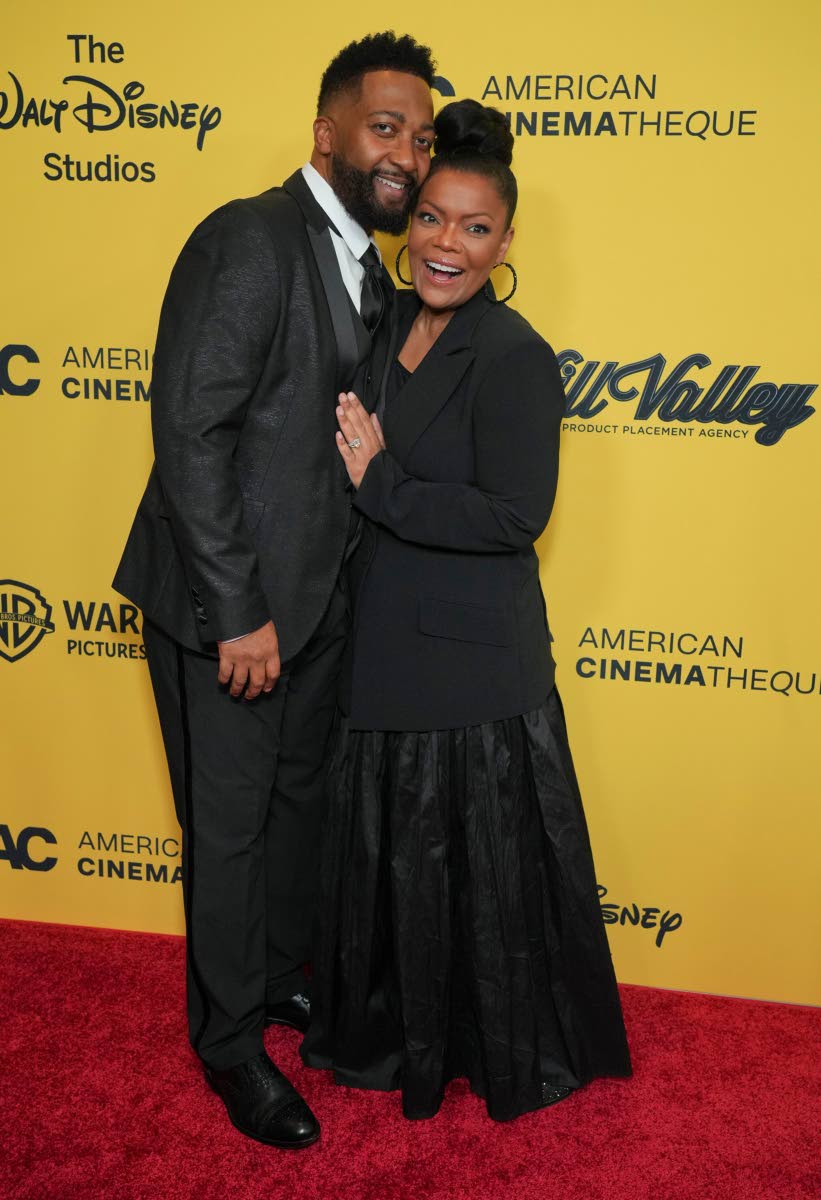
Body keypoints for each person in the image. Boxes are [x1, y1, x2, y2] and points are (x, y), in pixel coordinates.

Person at [112, 33, 436, 1148]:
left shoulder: (364, 267)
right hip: (233, 615)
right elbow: (189, 431)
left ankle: (274, 983)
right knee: (233, 831)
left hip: (315, 610)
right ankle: (229, 1046)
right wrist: (234, 611)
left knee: (295, 814)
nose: (405, 152)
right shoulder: (249, 239)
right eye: (385, 126)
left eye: (421, 136)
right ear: (327, 130)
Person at [302, 99, 632, 1123]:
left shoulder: (513, 355)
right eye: (433, 219)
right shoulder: (383, 319)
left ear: (504, 241)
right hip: (378, 650)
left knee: (470, 877)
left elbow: (513, 515)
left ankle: (489, 1048)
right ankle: (390, 1033)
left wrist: (383, 485)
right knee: (387, 867)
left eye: (474, 228)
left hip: (468, 675)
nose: (446, 245)